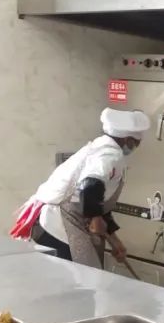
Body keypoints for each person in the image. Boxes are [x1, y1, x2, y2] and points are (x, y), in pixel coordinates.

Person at [10, 108, 150, 267]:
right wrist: (96, 219)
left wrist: (115, 241)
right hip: (59, 224)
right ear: (127, 139)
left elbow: (95, 202)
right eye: (136, 142)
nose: (136, 146)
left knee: (85, 275)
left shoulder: (98, 148)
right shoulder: (109, 155)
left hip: (55, 221)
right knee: (82, 277)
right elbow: (89, 187)